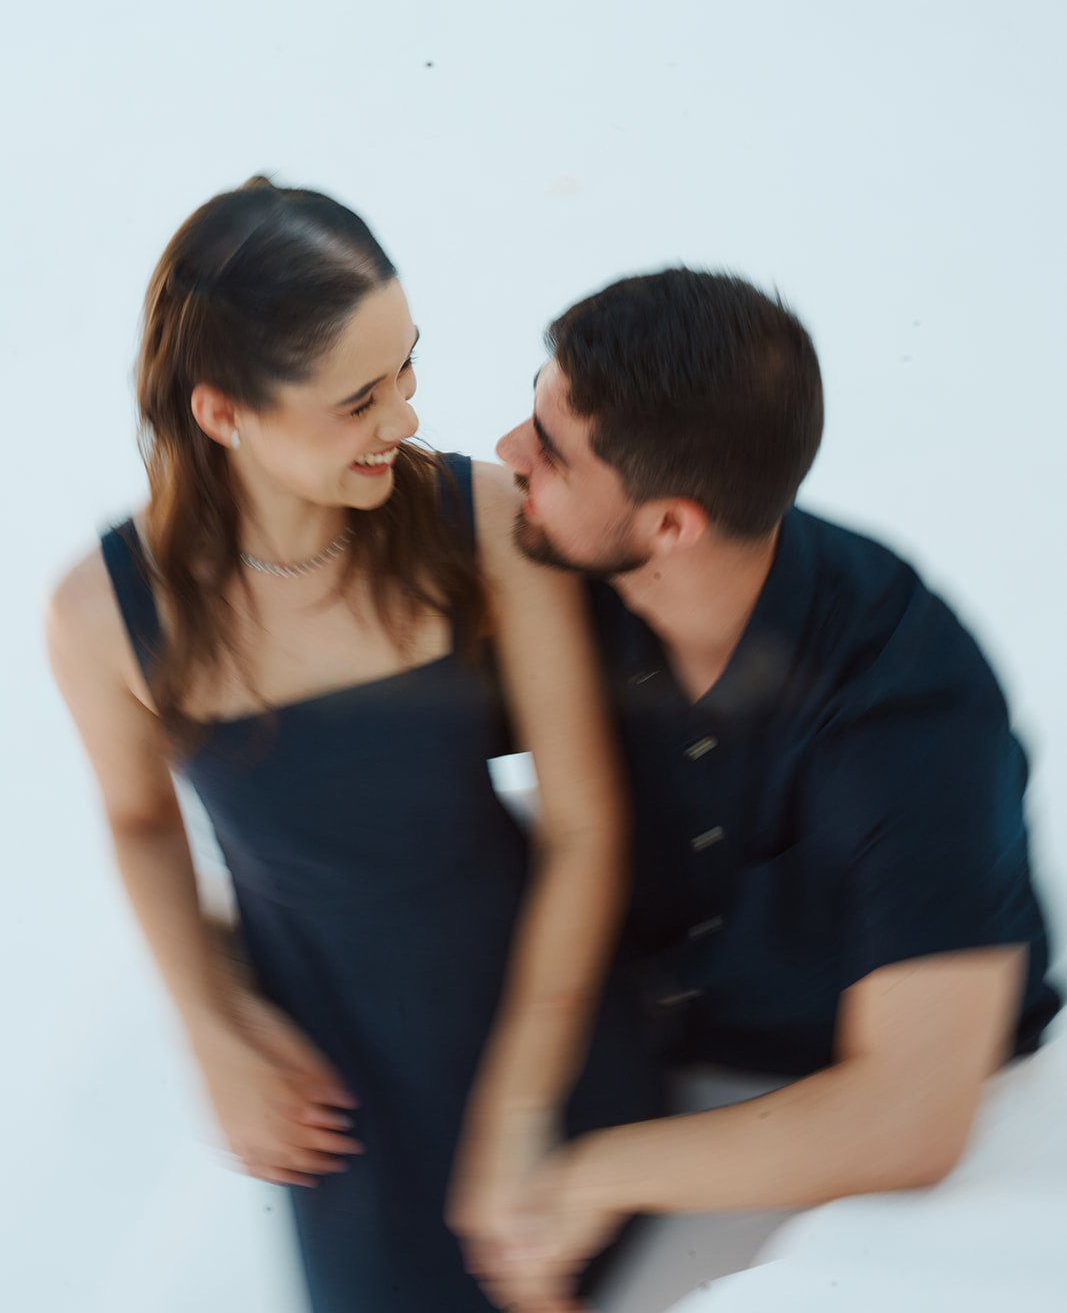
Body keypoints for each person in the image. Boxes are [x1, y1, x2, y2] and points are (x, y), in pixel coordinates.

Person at [43, 178, 663, 1313]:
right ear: (222, 413)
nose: (406, 419)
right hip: (338, 1088)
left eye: (406, 371)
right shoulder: (100, 616)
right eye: (359, 399)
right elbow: (138, 823)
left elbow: (583, 824)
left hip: (545, 1025)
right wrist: (213, 1029)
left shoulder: (482, 523)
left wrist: (519, 1111)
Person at [488, 267, 1061, 1311]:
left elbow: (909, 1118)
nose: (507, 451)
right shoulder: (575, 558)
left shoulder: (910, 711)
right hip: (647, 1026)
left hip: (834, 1097)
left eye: (550, 449)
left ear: (670, 525)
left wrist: (596, 1174)